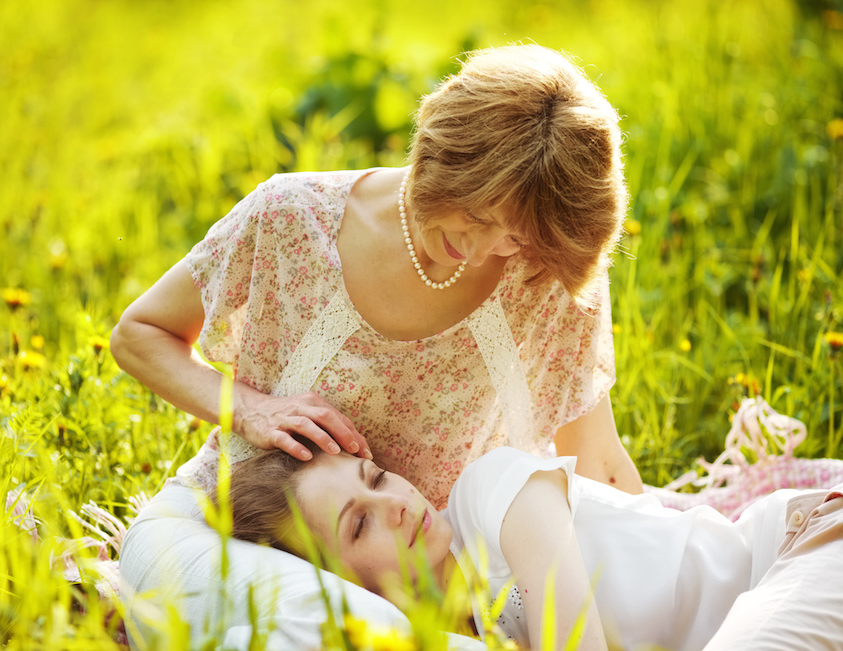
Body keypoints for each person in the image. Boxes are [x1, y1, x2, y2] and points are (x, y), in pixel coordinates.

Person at [109, 43, 642, 507]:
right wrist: (250, 410)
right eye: (476, 216)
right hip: (271, 529)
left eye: (512, 235)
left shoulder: (542, 270)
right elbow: (139, 334)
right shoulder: (292, 218)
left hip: (438, 566)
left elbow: (595, 457)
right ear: (444, 154)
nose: (481, 253)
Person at [224, 446, 843, 651]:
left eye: (374, 477)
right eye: (358, 524)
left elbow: (578, 642)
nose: (396, 502)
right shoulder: (459, 647)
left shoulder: (489, 491)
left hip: (826, 544)